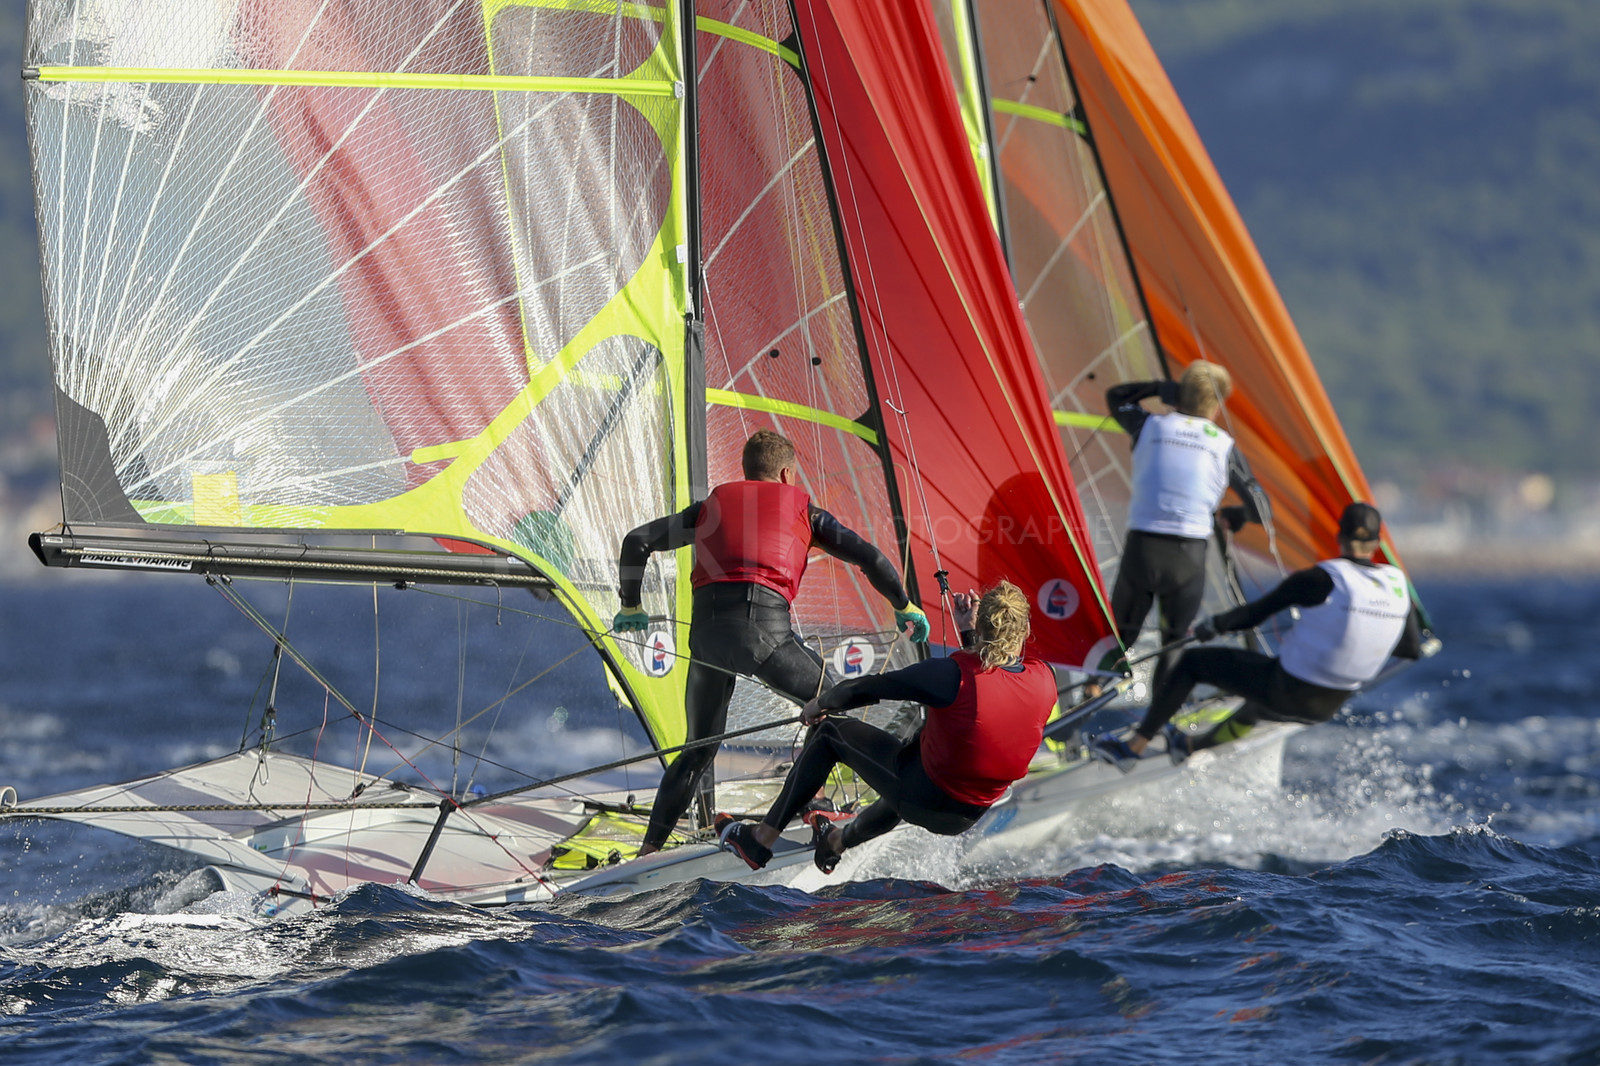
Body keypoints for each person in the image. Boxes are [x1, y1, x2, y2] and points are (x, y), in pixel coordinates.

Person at [615, 429, 928, 857]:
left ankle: (648, 853)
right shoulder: (806, 513)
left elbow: (637, 542)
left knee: (698, 749)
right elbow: (869, 558)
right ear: (786, 474)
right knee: (833, 706)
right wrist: (905, 605)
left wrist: (631, 605)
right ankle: (807, 810)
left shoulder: (708, 508)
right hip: (763, 633)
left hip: (705, 640)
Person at [718, 581, 1056, 874]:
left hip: (921, 796)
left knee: (830, 733)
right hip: (968, 815)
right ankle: (835, 842)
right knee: (901, 773)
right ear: (1024, 632)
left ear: (983, 626)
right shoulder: (1045, 679)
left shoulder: (952, 676)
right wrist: (970, 635)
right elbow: (992, 685)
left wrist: (820, 704)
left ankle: (760, 840)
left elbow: (870, 688)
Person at [1091, 502, 1433, 770]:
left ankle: (1131, 748)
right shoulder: (1397, 582)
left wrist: (1214, 625)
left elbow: (1254, 615)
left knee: (1192, 663)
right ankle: (1188, 747)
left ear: (1339, 536)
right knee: (1255, 709)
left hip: (1287, 689)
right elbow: (1410, 649)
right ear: (1377, 543)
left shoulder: (1323, 578)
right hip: (1331, 703)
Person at [1100, 362, 1270, 693]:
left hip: (1143, 551)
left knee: (1120, 635)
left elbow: (1116, 397)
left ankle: (1090, 693)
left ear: (1180, 393)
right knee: (1173, 643)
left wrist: (1158, 388)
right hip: (1188, 557)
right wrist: (1237, 516)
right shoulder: (1223, 445)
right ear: (1217, 404)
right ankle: (1152, 729)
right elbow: (1262, 511)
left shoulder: (1149, 426)